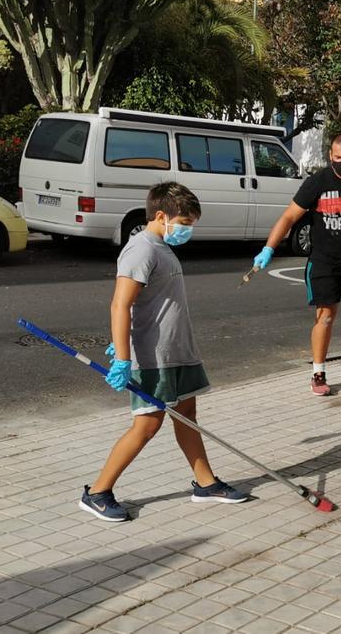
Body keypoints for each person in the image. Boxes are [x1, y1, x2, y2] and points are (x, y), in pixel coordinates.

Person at [80, 182, 247, 522]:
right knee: (147, 426)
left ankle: (206, 483)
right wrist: (124, 357)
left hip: (178, 351)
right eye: (184, 223)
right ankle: (98, 492)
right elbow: (120, 304)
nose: (187, 230)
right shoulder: (141, 249)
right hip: (153, 356)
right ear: (161, 216)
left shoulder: (162, 246)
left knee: (187, 416)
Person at [251, 134, 341, 396]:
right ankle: (318, 372)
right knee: (326, 317)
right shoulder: (317, 183)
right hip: (325, 262)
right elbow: (288, 217)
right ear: (331, 156)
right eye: (338, 158)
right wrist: (268, 248)